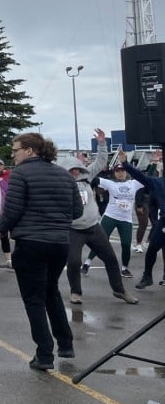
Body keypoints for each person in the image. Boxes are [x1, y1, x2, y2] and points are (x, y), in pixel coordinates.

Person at [0, 133, 82, 370]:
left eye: (16, 150)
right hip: (60, 244)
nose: (13, 155)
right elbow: (77, 211)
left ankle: (44, 354)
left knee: (34, 299)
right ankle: (65, 343)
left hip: (31, 242)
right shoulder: (65, 175)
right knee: (51, 291)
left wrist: (1, 229)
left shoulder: (21, 174)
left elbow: (12, 209)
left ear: (30, 151)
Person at [59, 129, 135, 304]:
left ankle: (119, 290)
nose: (75, 172)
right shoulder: (60, 183)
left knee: (110, 258)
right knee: (74, 261)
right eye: (71, 170)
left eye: (77, 169)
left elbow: (101, 161)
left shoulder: (87, 177)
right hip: (73, 230)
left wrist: (102, 143)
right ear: (65, 170)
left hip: (93, 226)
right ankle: (75, 292)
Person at [82, 160, 142, 279]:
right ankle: (87, 263)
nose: (120, 173)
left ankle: (124, 268)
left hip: (126, 219)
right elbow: (93, 179)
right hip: (110, 216)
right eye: (118, 171)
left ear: (126, 172)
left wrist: (154, 164)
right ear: (114, 173)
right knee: (100, 241)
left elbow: (146, 178)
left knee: (126, 244)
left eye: (122, 171)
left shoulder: (133, 184)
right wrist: (85, 169)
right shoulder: (110, 183)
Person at [122, 149, 165, 290]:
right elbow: (141, 177)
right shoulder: (158, 183)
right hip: (164, 222)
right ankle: (147, 277)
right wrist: (126, 164)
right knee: (152, 249)